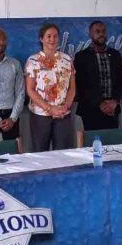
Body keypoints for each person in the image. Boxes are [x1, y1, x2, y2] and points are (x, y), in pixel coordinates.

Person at [25, 23, 75, 152]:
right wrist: (49, 108)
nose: (52, 39)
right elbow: (30, 89)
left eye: (55, 36)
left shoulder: (67, 60)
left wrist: (66, 106)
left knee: (63, 153)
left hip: (63, 114)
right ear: (41, 39)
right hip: (41, 116)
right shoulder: (33, 61)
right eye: (48, 36)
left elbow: (72, 88)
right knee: (41, 154)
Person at [74, 20, 122, 131]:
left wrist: (114, 101)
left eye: (103, 31)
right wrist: (100, 103)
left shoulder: (115, 55)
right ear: (90, 35)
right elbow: (80, 85)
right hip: (90, 109)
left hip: (112, 109)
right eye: (97, 31)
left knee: (112, 144)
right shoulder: (81, 57)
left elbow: (121, 81)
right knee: (93, 144)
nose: (101, 34)